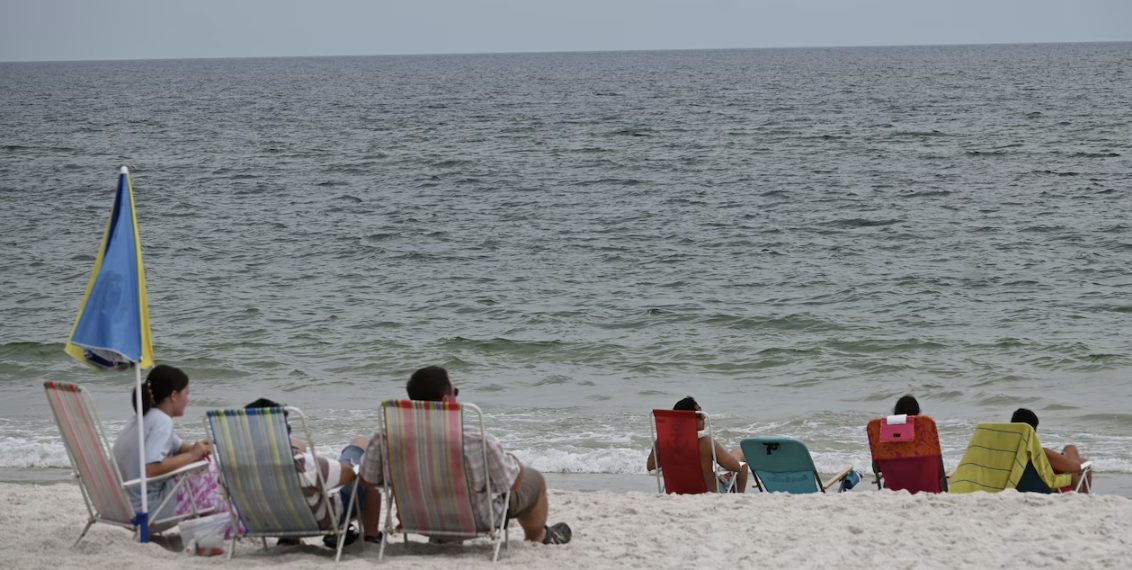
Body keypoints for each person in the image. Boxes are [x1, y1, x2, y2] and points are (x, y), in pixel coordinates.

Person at [357, 366, 571, 545]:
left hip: (417, 520)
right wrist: (512, 461)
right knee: (535, 480)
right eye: (455, 391)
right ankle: (539, 537)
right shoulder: (477, 439)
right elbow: (512, 483)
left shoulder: (385, 436)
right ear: (445, 399)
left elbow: (367, 480)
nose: (456, 395)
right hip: (477, 521)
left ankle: (440, 535)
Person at [243, 398, 368, 546]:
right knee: (361, 447)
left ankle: (289, 538)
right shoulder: (300, 463)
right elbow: (348, 474)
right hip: (322, 520)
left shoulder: (234, 467)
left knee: (298, 447)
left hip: (267, 521)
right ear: (280, 430)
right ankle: (371, 534)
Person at [111, 364, 227, 522]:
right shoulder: (162, 421)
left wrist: (199, 448)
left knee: (205, 461)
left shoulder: (143, 418)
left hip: (121, 507)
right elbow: (151, 468)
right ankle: (227, 522)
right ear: (174, 395)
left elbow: (178, 447)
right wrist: (194, 454)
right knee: (211, 469)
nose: (188, 400)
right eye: (186, 393)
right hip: (147, 509)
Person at [646, 396, 750, 493]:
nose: (704, 417)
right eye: (699, 414)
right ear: (688, 419)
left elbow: (650, 466)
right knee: (741, 459)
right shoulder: (706, 443)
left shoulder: (662, 443)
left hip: (677, 492)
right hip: (708, 493)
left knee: (736, 454)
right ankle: (737, 501)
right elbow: (736, 467)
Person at [1011, 408, 1092, 491]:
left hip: (1015, 488)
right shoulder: (1040, 453)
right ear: (1033, 431)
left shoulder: (1004, 454)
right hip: (1053, 490)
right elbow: (1075, 467)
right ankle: (1081, 496)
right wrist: (1064, 459)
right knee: (1083, 462)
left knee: (1070, 448)